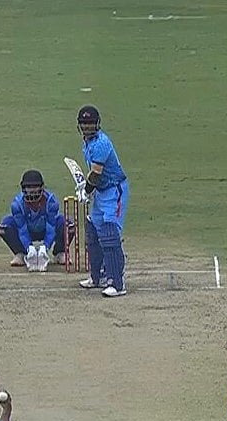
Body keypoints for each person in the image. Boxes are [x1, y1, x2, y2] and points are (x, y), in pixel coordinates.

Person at [73, 105, 129, 297]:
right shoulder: (87, 143)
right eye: (84, 124)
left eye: (90, 124)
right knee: (93, 229)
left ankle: (117, 283)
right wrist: (87, 188)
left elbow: (96, 173)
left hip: (114, 190)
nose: (87, 127)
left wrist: (86, 191)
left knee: (109, 232)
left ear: (97, 124)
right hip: (101, 191)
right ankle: (97, 276)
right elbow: (93, 174)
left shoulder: (101, 144)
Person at [0, 169, 74, 271]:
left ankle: (60, 252)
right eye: (28, 187)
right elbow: (22, 230)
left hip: (45, 229)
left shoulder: (51, 201)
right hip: (28, 230)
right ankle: (21, 253)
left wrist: (45, 247)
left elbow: (51, 228)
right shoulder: (17, 204)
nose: (32, 191)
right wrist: (29, 248)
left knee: (67, 224)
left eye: (35, 186)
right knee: (6, 224)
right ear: (23, 188)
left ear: (42, 187)